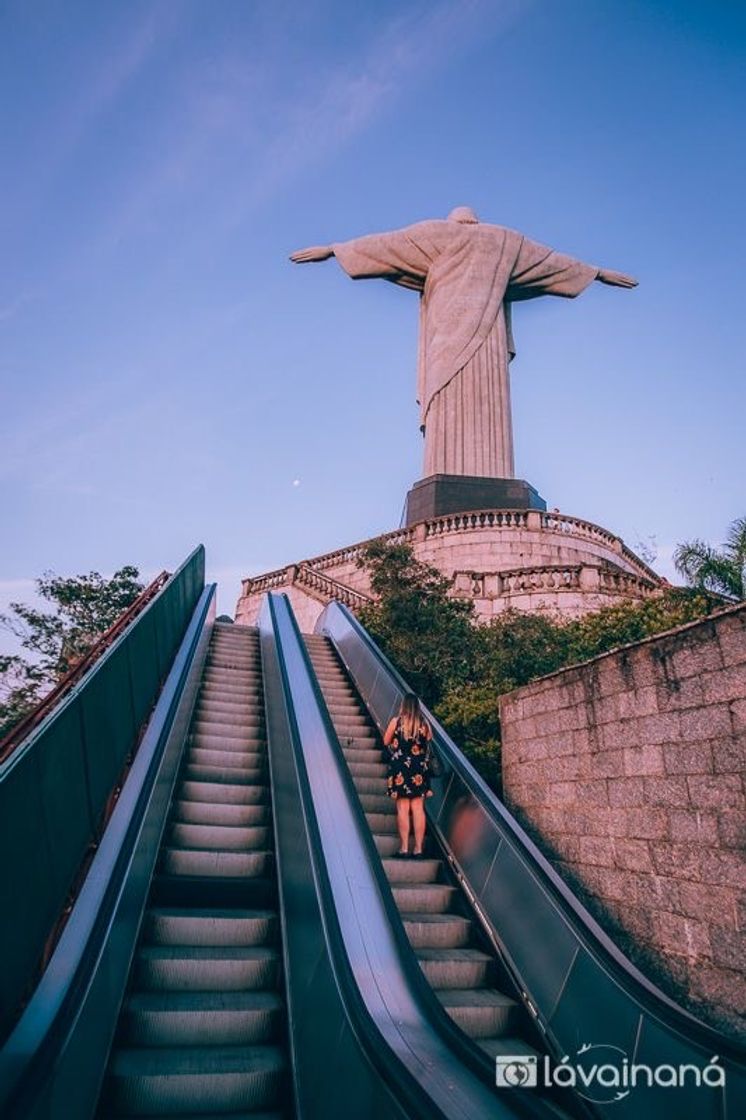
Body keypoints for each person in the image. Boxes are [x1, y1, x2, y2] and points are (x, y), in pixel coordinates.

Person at [291, 207, 636, 480]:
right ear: (475, 220)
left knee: (446, 395)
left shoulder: (434, 233)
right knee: (471, 401)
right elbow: (551, 262)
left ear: (453, 220)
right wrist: (596, 272)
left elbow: (384, 245)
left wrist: (335, 250)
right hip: (488, 339)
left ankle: (456, 473)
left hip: (448, 338)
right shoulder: (504, 240)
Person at [383, 692, 433, 858]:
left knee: (403, 809)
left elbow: (386, 741)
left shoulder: (396, 722)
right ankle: (418, 849)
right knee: (418, 809)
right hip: (419, 769)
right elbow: (429, 741)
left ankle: (404, 848)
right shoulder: (424, 724)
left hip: (400, 768)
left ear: (403, 705)